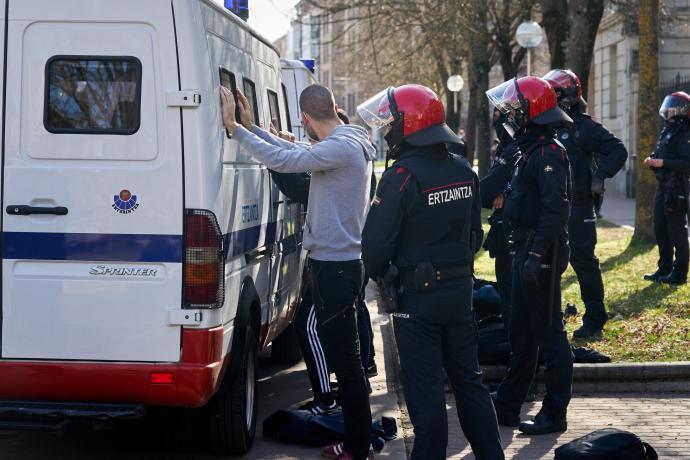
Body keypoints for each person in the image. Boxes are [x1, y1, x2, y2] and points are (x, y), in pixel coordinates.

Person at [220, 84, 375, 460]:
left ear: (305, 117)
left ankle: (357, 446)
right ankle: (361, 439)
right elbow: (293, 151)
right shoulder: (348, 139)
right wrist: (253, 127)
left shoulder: (341, 147)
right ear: (335, 108)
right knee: (346, 359)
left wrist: (235, 130)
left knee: (347, 363)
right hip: (338, 265)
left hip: (337, 269)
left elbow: (287, 161)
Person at [360, 84, 504, 459]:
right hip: (459, 295)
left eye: (390, 121)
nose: (386, 128)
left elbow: (374, 247)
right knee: (469, 383)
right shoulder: (463, 170)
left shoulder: (400, 177)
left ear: (410, 124)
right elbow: (475, 235)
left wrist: (386, 275)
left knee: (425, 390)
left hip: (417, 299)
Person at [486, 76, 574, 435]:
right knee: (520, 332)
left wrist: (537, 254)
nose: (509, 116)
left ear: (531, 112)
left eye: (515, 109)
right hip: (524, 249)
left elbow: (557, 210)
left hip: (543, 253)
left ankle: (555, 413)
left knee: (550, 333)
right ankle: (507, 405)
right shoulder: (530, 149)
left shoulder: (549, 153)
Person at [544, 69, 629, 339]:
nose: (550, 98)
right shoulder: (547, 127)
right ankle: (551, 317)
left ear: (568, 95)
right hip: (554, 207)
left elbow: (618, 150)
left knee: (584, 262)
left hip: (580, 206)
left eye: (555, 93)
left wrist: (600, 176)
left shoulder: (585, 127)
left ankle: (595, 318)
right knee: (550, 262)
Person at [643, 91, 690, 285]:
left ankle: (679, 274)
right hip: (664, 187)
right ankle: (664, 269)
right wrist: (653, 159)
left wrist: (662, 163)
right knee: (661, 229)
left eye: (672, 105)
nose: (668, 109)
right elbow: (662, 152)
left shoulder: (685, 132)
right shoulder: (668, 130)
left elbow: (686, 163)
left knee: (676, 231)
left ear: (680, 110)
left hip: (677, 188)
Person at [480, 108, 521, 331]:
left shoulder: (514, 149)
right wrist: (503, 189)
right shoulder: (511, 147)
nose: (496, 119)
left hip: (514, 231)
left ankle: (514, 341)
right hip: (509, 229)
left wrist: (504, 189)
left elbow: (485, 191)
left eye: (499, 115)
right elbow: (492, 190)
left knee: (511, 290)